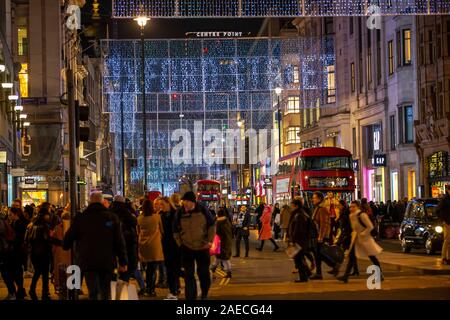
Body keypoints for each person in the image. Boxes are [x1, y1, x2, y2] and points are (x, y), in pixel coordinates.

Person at [63, 192, 128, 300]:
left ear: (89, 201)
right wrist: (123, 261)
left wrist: (66, 245)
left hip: (88, 261)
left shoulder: (81, 218)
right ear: (102, 201)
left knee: (93, 291)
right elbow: (119, 241)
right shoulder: (111, 217)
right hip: (107, 260)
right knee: (105, 291)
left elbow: (68, 238)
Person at [173, 191, 216, 300]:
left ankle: (205, 292)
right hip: (187, 248)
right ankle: (190, 297)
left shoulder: (203, 210)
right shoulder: (180, 212)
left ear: (193, 202)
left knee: (203, 273)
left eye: (187, 201)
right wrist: (180, 244)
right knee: (188, 275)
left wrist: (209, 241)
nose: (185, 204)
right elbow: (175, 231)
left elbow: (211, 226)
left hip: (202, 247)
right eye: (184, 201)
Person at [338, 201, 383, 283]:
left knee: (372, 257)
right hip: (357, 239)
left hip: (366, 239)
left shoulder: (362, 215)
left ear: (358, 207)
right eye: (350, 207)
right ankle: (345, 276)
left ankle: (380, 274)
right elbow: (354, 228)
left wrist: (363, 233)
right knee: (351, 257)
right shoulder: (351, 216)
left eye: (353, 206)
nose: (351, 208)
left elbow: (370, 226)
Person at [25, 207, 61, 300]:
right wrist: (60, 242)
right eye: (47, 214)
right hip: (44, 252)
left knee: (37, 272)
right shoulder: (44, 225)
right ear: (44, 215)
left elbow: (26, 239)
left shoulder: (31, 225)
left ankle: (33, 289)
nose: (49, 216)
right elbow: (48, 238)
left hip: (34, 253)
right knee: (44, 273)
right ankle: (44, 292)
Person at [137, 199, 164, 297]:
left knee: (148, 268)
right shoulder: (157, 217)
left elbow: (138, 231)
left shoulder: (139, 218)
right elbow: (162, 230)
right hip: (155, 246)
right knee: (153, 268)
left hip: (144, 245)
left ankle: (148, 287)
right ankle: (151, 289)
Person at [110, 195, 138, 287]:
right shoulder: (125, 211)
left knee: (114, 265)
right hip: (127, 240)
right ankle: (123, 281)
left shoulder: (109, 211)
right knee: (130, 265)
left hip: (112, 242)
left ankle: (114, 282)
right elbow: (134, 222)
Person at [310, 192, 339, 280]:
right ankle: (319, 273)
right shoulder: (318, 208)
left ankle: (334, 265)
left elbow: (324, 223)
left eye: (314, 198)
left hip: (320, 234)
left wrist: (321, 236)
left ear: (319, 199)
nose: (313, 199)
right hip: (317, 234)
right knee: (318, 254)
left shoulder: (322, 208)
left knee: (320, 253)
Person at [159, 196, 181, 300]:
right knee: (170, 269)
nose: (161, 206)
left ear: (168, 203)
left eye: (162, 204)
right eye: (160, 204)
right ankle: (174, 291)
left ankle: (174, 291)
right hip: (166, 245)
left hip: (175, 245)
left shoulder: (176, 214)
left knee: (175, 269)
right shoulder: (161, 215)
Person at [288, 199, 313, 282]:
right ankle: (308, 273)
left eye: (292, 205)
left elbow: (298, 230)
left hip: (299, 241)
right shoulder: (300, 213)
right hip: (302, 240)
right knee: (300, 258)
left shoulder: (299, 215)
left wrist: (293, 240)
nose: (290, 207)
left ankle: (303, 277)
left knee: (298, 259)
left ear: (296, 206)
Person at [334, 200, 357, 275]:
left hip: (347, 235)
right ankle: (355, 270)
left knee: (342, 252)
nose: (338, 207)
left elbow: (348, 225)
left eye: (339, 205)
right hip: (346, 234)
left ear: (343, 205)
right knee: (351, 254)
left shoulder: (346, 214)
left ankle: (336, 269)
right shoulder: (343, 213)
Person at [210, 207, 233, 278]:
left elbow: (217, 233)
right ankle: (212, 270)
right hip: (227, 241)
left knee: (224, 258)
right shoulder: (227, 221)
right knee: (220, 258)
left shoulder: (219, 222)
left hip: (221, 243)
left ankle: (228, 272)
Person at [436, 189, 450, 265]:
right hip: (447, 222)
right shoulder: (444, 199)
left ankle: (448, 257)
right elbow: (437, 210)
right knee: (447, 240)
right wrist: (443, 220)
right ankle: (444, 257)